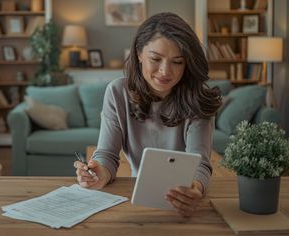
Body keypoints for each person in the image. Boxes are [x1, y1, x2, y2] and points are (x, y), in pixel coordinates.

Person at [74, 12, 221, 217]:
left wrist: (195, 189)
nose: (165, 71)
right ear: (139, 53)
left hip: (181, 201)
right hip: (136, 202)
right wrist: (97, 174)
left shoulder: (198, 98)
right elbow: (106, 155)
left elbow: (200, 163)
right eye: (156, 59)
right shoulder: (117, 92)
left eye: (177, 62)